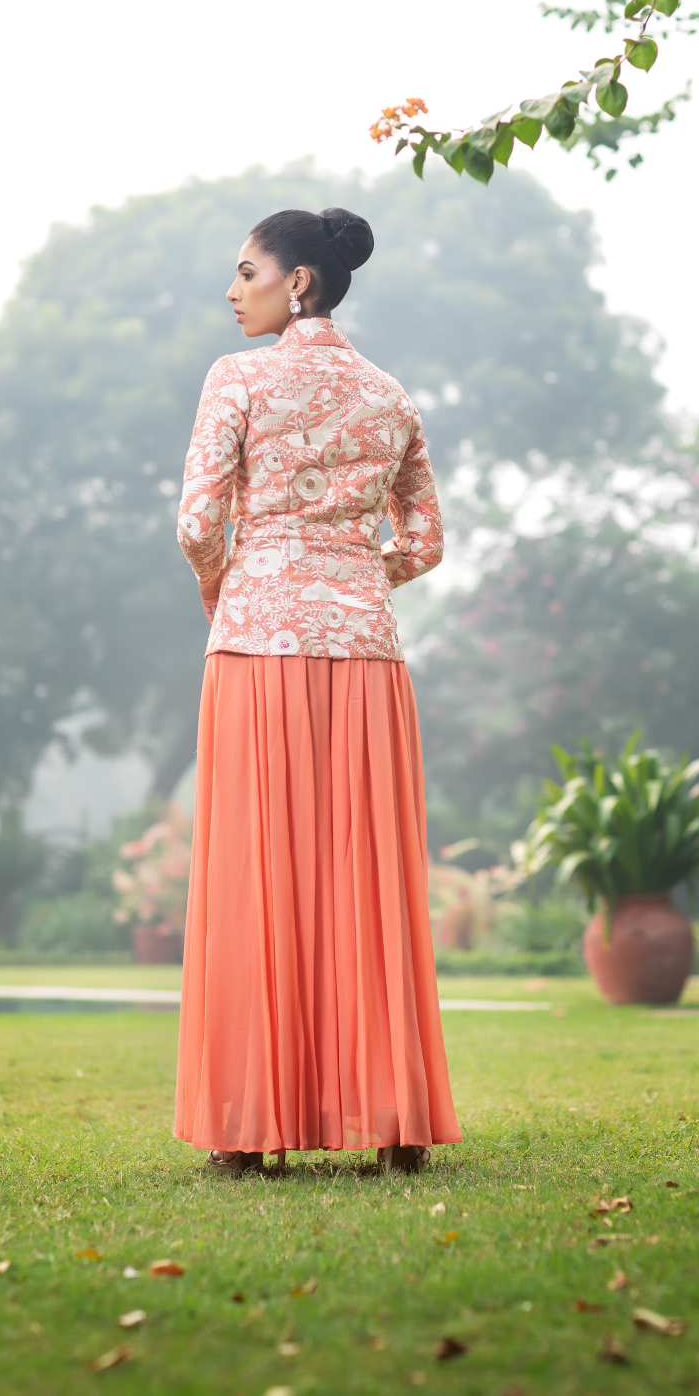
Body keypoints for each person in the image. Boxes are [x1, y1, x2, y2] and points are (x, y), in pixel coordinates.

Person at [172, 206, 461, 1173]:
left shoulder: (237, 380)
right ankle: (395, 1123)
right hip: (369, 658)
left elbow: (196, 523)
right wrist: (348, 577)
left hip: (257, 645)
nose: (232, 289)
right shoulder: (391, 397)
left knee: (258, 876)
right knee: (366, 879)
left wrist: (228, 588)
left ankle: (250, 1133)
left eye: (246, 270)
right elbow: (422, 541)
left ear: (298, 282)